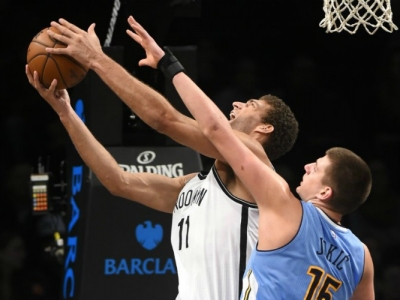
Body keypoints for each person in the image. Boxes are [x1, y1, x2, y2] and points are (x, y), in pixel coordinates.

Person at [28, 17, 298, 300]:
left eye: (251, 105)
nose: (237, 103)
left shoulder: (256, 163)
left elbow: (165, 120)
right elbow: (117, 181)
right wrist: (66, 114)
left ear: (264, 129)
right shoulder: (194, 186)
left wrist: (96, 59)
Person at [145, 28, 376, 299]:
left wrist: (168, 64)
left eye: (317, 167)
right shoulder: (362, 256)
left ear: (326, 192)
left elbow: (211, 129)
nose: (306, 167)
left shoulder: (289, 209)